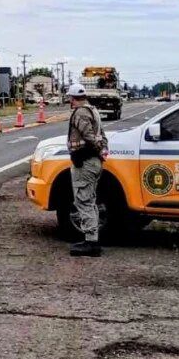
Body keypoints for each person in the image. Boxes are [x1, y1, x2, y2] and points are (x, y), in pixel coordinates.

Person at [66, 83, 109, 257]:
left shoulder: (81, 113)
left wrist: (93, 151)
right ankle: (92, 239)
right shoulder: (93, 111)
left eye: (70, 97)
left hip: (86, 163)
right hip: (93, 162)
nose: (69, 100)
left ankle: (91, 243)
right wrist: (102, 151)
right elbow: (102, 137)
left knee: (83, 200)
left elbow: (89, 136)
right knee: (90, 200)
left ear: (73, 98)